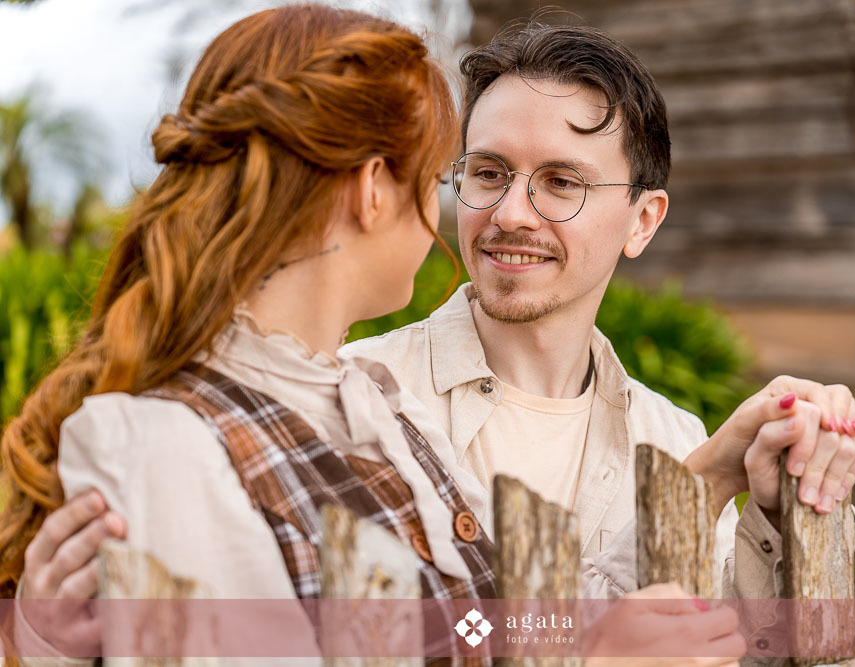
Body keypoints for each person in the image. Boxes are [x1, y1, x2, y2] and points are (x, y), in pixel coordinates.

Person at [13, 14, 855, 663]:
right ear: (372, 188)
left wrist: (716, 477)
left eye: (561, 182)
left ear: (643, 219)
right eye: (475, 173)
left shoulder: (378, 412)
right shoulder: (309, 409)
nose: (503, 213)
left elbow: (495, 626)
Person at [1, 4, 507, 662]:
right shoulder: (168, 451)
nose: (439, 213)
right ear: (372, 187)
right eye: (437, 179)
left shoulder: (379, 404)